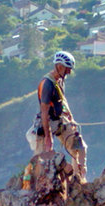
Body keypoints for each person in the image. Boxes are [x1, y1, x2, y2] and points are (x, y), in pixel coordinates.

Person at [29, 50, 86, 188]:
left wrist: (70, 118)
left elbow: (61, 101)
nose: (69, 72)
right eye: (67, 69)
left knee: (79, 147)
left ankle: (78, 179)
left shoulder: (59, 81)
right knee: (42, 159)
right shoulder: (47, 84)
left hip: (59, 120)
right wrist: (48, 137)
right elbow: (44, 112)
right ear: (60, 66)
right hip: (46, 122)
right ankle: (36, 187)